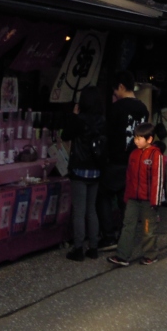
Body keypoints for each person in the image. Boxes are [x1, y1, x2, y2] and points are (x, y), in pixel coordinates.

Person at [98, 70, 150, 249]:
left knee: (103, 195)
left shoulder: (116, 108)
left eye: (115, 90)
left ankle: (109, 236)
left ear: (121, 86)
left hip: (116, 160)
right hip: (136, 161)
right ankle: (125, 237)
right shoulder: (143, 108)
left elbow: (107, 135)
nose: (115, 93)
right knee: (126, 201)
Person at [108, 124, 165, 267]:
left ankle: (150, 254)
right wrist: (127, 196)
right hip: (133, 197)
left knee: (148, 228)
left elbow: (158, 179)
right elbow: (129, 177)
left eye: (139, 138)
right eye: (135, 138)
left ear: (149, 139)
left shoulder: (156, 155)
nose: (136, 141)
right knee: (128, 225)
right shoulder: (133, 154)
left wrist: (156, 200)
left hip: (149, 200)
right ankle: (122, 255)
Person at [62, 89, 106, 261]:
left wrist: (73, 115)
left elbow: (65, 135)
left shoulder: (79, 120)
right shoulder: (102, 121)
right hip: (96, 169)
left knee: (79, 211)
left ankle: (78, 248)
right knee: (91, 209)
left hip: (79, 168)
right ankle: (93, 247)